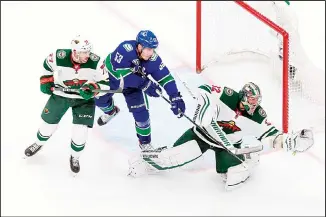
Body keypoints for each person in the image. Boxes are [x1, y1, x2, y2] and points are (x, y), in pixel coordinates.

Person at [128, 82, 314, 190]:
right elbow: (204, 88)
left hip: (226, 146)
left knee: (231, 174)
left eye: (256, 101)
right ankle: (145, 161)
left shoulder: (259, 115)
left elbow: (272, 135)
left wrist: (289, 141)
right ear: (242, 96)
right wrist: (206, 104)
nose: (253, 104)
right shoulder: (228, 95)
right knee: (173, 157)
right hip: (202, 135)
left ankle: (250, 161)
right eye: (251, 99)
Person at [24, 35, 110, 175]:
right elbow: (47, 65)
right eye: (83, 52)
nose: (87, 55)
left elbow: (106, 83)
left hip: (84, 99)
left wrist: (93, 88)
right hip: (61, 94)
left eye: (88, 51)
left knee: (80, 132)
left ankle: (75, 157)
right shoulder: (59, 56)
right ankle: (38, 144)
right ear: (75, 52)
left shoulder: (97, 62)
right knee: (47, 125)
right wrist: (46, 80)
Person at [95, 30, 186, 150]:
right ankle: (111, 111)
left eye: (153, 49)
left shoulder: (153, 59)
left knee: (141, 114)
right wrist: (146, 84)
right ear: (139, 46)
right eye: (148, 49)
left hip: (134, 86)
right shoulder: (125, 49)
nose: (151, 53)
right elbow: (121, 76)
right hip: (111, 78)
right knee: (99, 99)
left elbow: (165, 77)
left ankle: (145, 144)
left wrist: (175, 96)